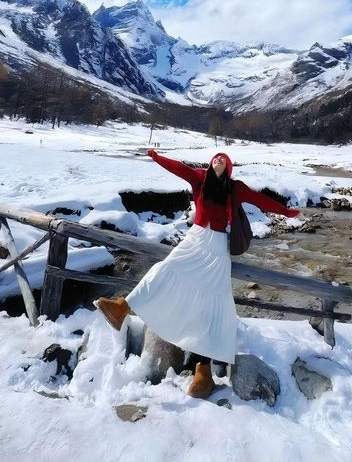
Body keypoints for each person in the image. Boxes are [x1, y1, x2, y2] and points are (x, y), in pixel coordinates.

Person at [95, 149, 301, 398]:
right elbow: (179, 168)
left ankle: (203, 375)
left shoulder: (235, 188)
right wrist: (157, 157)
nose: (219, 159)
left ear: (229, 167)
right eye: (216, 157)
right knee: (165, 270)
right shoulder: (200, 179)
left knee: (210, 308)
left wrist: (286, 212)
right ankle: (122, 307)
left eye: (224, 159)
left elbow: (260, 200)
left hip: (216, 251)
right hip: (194, 240)